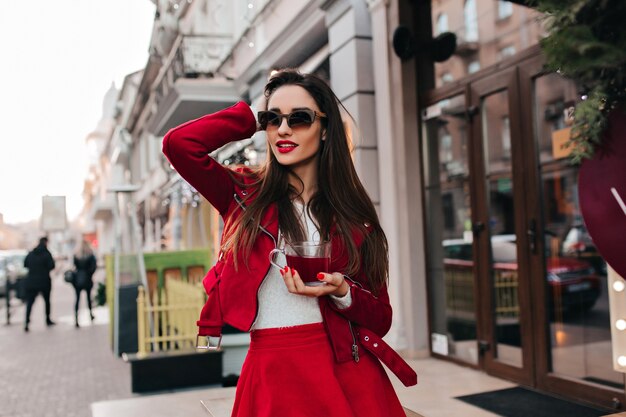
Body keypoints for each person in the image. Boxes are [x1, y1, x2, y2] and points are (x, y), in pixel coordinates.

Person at [162, 69, 417, 417]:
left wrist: (342, 293)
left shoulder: (353, 217)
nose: (283, 129)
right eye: (273, 119)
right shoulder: (242, 193)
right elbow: (179, 144)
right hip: (270, 369)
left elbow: (382, 318)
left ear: (325, 129)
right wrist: (252, 115)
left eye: (299, 118)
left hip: (343, 369)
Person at [23, 236, 56, 332]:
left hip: (31, 281)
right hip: (44, 281)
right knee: (47, 301)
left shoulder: (31, 253)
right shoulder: (47, 254)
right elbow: (52, 266)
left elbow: (25, 264)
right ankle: (47, 319)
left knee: (30, 303)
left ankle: (26, 322)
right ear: (46, 242)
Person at [72, 239, 97, 327]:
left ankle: (76, 319)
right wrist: (89, 274)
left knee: (77, 299)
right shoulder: (90, 255)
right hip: (87, 279)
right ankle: (90, 315)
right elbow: (94, 267)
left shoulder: (76, 255)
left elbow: (74, 266)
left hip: (77, 280)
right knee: (88, 298)